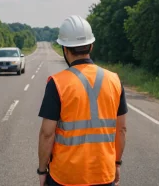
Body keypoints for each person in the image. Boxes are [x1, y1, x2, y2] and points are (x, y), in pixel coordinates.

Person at [37, 15, 128, 186]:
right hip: (104, 174)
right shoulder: (114, 80)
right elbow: (121, 129)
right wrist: (117, 164)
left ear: (64, 49)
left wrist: (42, 170)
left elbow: (47, 134)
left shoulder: (57, 83)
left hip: (65, 177)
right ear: (91, 46)